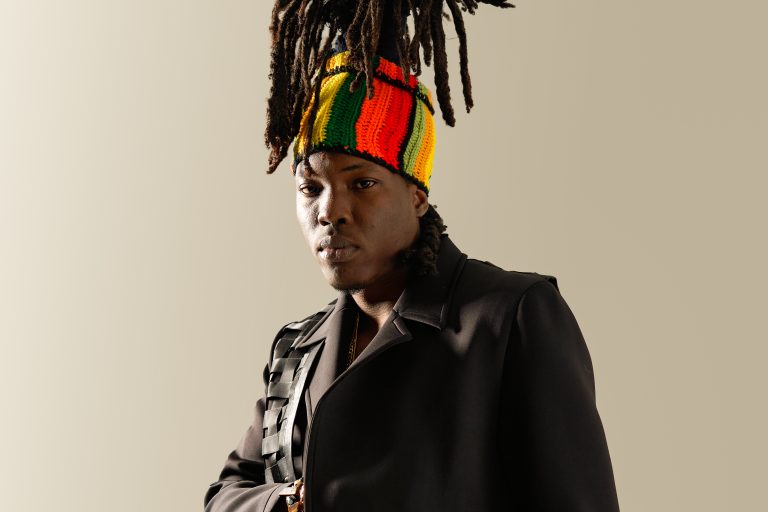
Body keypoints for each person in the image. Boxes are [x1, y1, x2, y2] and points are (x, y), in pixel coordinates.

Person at [205, 1, 620, 511]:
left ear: (417, 196)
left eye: (362, 183)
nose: (330, 212)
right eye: (310, 187)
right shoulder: (298, 348)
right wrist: (290, 501)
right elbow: (225, 496)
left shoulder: (509, 317)